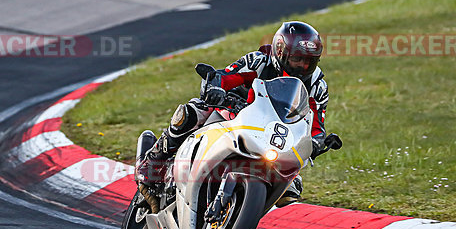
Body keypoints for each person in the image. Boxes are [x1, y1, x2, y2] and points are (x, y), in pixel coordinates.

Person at [135, 21, 330, 206]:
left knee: (292, 186)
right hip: (234, 114)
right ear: (280, 51)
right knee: (193, 111)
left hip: (274, 137)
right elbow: (226, 76)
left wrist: (317, 141)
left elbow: (316, 124)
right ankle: (153, 160)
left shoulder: (317, 85)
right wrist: (216, 88)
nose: (303, 67)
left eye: (309, 62)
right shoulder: (259, 62)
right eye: (298, 59)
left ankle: (241, 214)